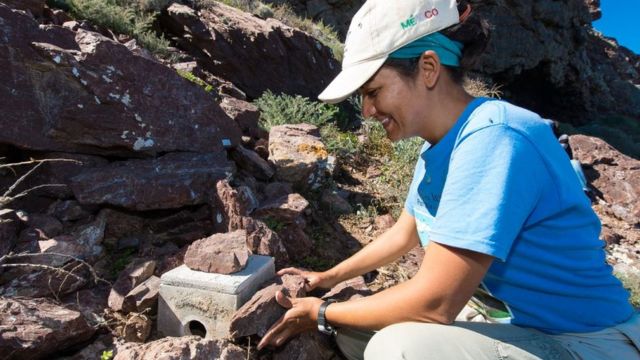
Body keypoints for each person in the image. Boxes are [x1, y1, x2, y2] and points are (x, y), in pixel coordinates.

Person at [256, 0, 640, 359]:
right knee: (356, 332)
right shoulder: (439, 146)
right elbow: (405, 233)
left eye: (373, 91)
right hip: (522, 325)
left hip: (588, 342)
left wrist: (322, 312)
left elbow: (435, 303)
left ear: (428, 68)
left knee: (399, 348)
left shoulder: (495, 138)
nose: (368, 110)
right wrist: (327, 277)